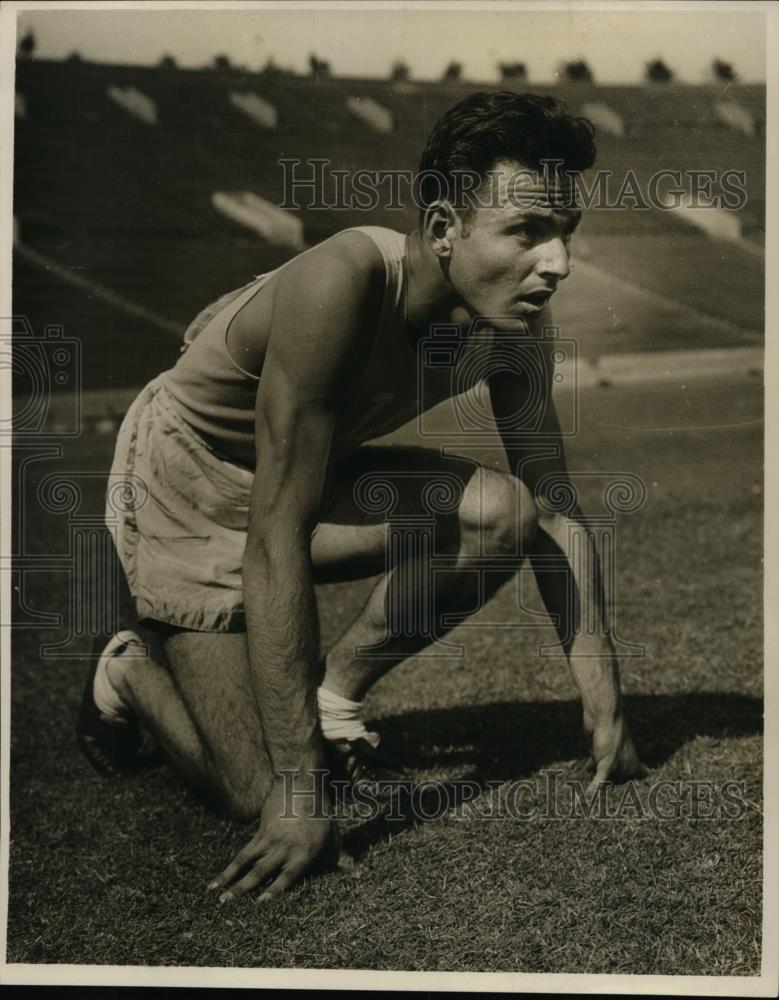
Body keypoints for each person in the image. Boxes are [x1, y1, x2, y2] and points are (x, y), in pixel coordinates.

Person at [77, 91, 646, 904]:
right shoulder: (343, 278)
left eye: (565, 234)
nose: (555, 263)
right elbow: (274, 533)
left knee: (506, 512)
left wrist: (604, 697)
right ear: (445, 229)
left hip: (296, 481)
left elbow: (553, 505)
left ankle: (334, 699)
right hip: (186, 482)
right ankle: (130, 669)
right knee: (255, 794)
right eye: (526, 232)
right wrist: (301, 788)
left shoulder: (514, 329)